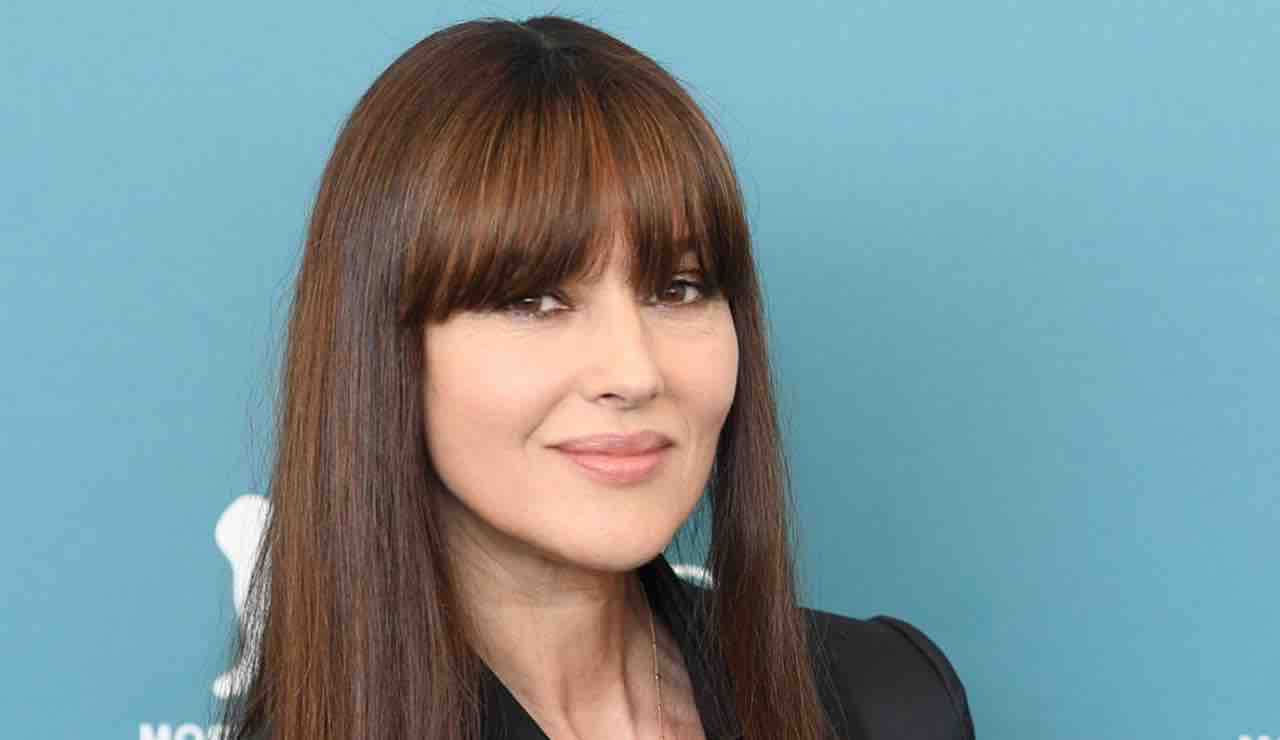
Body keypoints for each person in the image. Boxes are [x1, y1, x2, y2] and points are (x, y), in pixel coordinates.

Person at [216, 14, 976, 740]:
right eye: (533, 300)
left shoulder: (889, 705)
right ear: (388, 351)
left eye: (678, 289)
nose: (634, 371)